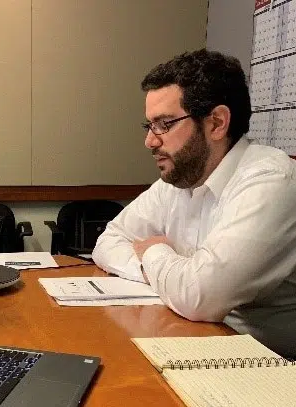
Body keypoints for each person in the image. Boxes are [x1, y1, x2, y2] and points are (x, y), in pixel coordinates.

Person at [92, 49, 296, 358]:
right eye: (149, 126)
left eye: (164, 124)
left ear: (216, 123)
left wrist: (153, 252)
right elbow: (108, 241)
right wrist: (158, 271)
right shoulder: (179, 180)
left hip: (268, 364)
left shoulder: (272, 180)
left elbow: (201, 296)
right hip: (195, 339)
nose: (150, 141)